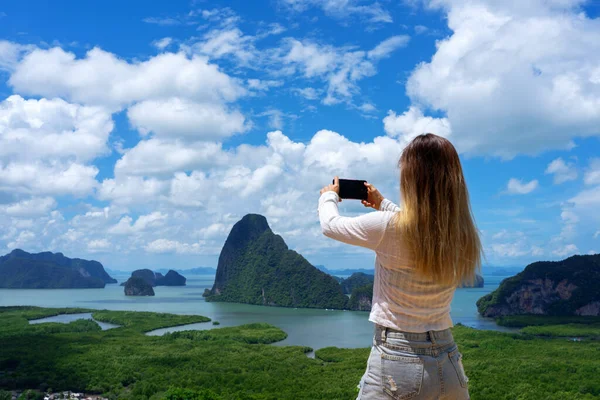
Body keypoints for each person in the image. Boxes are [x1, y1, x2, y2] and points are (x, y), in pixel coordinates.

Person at [318, 133, 481, 400]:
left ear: (411, 180)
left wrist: (329, 197)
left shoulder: (388, 228)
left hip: (398, 362)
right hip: (449, 362)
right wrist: (382, 203)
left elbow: (331, 226)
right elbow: (421, 227)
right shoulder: (461, 234)